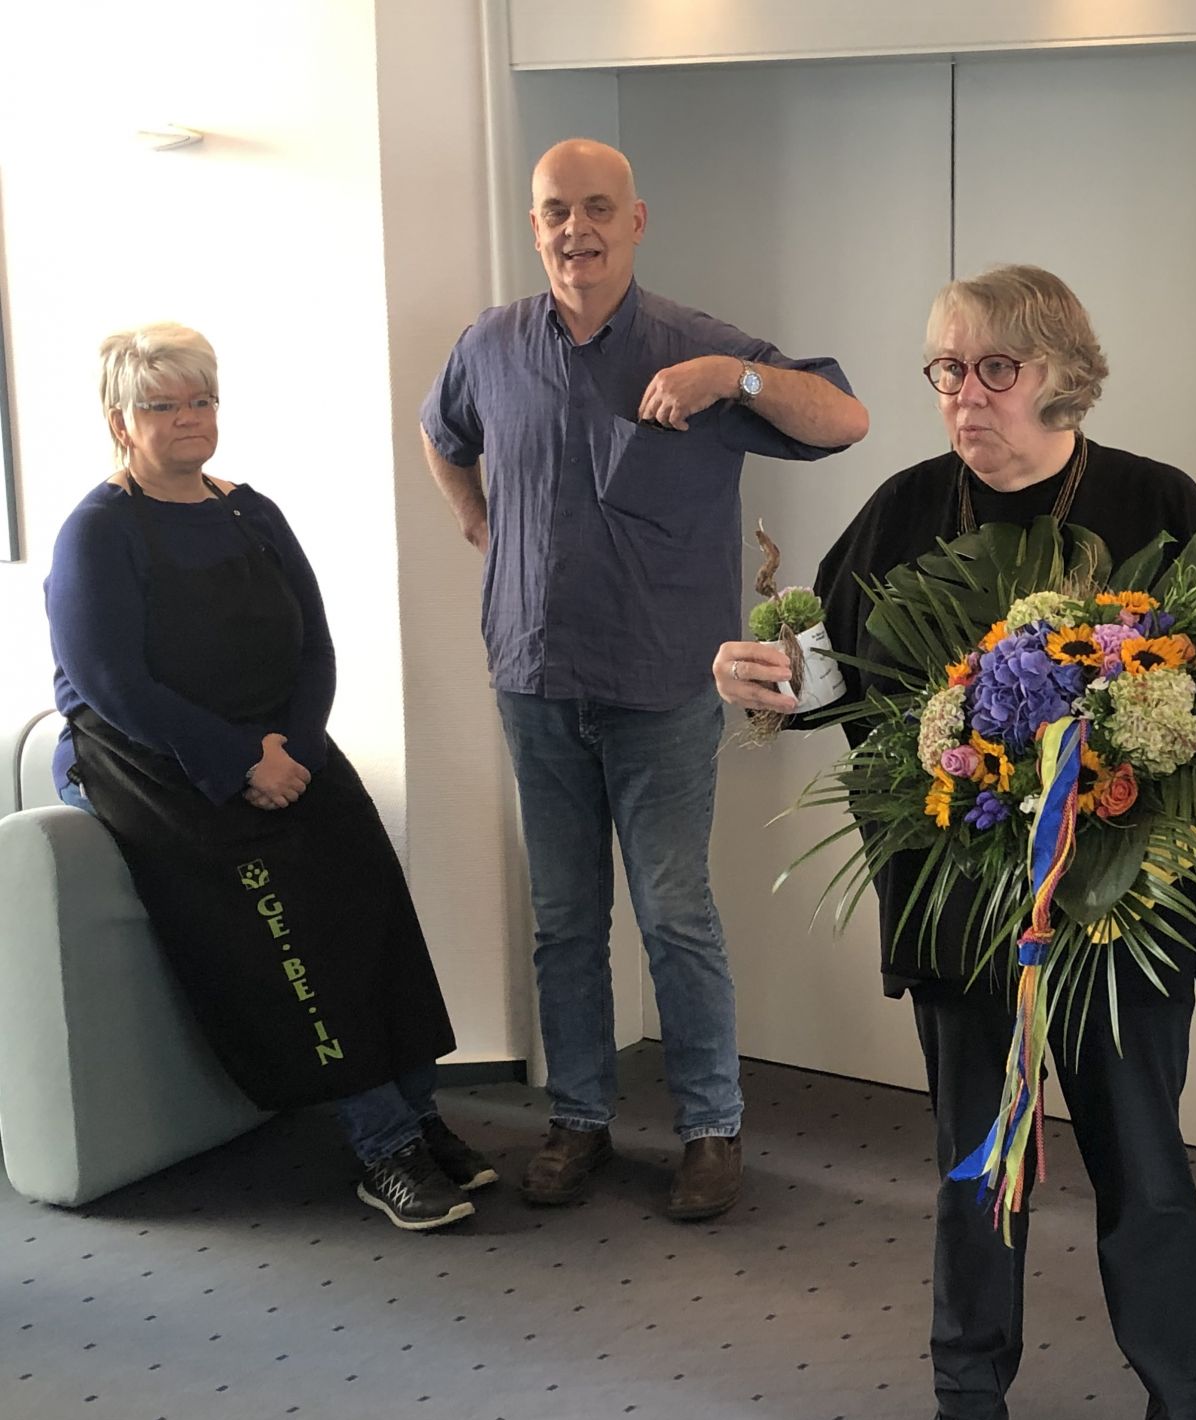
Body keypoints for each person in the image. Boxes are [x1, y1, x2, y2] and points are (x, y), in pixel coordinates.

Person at [714, 265, 1196, 1420]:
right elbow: (830, 680)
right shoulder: (901, 511)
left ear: (1063, 372)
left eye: (994, 367)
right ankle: (965, 1408)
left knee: (1144, 1171)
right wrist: (764, 682)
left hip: (1120, 909)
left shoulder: (1156, 504)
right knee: (974, 1164)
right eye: (947, 369)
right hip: (955, 908)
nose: (963, 395)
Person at [419, 138, 868, 1219]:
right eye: (555, 211)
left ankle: (710, 1129)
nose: (576, 229)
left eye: (596, 208)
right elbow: (442, 436)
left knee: (674, 914)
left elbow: (844, 419)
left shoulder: (696, 347)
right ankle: (578, 1117)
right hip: (534, 677)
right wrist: (476, 520)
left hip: (663, 686)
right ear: (535, 225)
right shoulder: (488, 345)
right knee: (564, 921)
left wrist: (733, 379)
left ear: (636, 220)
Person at [46, 323, 494, 1233]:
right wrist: (238, 760)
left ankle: (419, 1115)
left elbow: (314, 646)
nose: (189, 418)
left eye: (202, 400)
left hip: (283, 745)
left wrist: (295, 746)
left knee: (372, 900)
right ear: (120, 422)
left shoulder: (252, 512)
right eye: (163, 405)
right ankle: (382, 1148)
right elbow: (112, 683)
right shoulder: (97, 531)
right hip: (155, 761)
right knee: (292, 929)